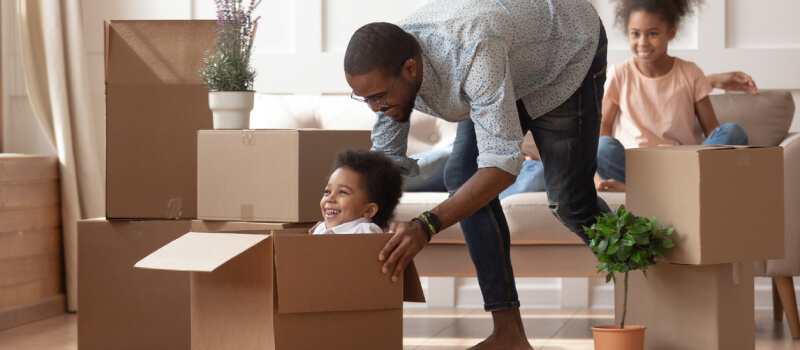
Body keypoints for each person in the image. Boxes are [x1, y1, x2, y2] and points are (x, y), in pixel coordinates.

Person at [344, 1, 609, 348]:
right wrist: (351, 217)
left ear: (410, 68)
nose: (375, 109)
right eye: (364, 99)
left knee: (571, 202)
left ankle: (653, 275)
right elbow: (385, 160)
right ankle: (508, 335)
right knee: (461, 176)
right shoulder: (388, 65)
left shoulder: (473, 53)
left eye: (378, 97)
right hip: (504, 59)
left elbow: (502, 166)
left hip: (566, 49)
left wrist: (426, 226)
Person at [595, 0, 754, 192]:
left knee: (733, 133)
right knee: (601, 146)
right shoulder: (619, 73)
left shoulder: (691, 72)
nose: (643, 42)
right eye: (635, 34)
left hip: (683, 166)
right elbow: (604, 125)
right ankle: (674, 189)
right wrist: (597, 175)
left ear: (671, 32)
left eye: (652, 33)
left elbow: (714, 131)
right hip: (635, 165)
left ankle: (641, 188)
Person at [312, 148, 403, 235]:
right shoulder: (320, 229)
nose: (330, 198)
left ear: (369, 210)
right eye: (328, 191)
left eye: (343, 192)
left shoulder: (365, 231)